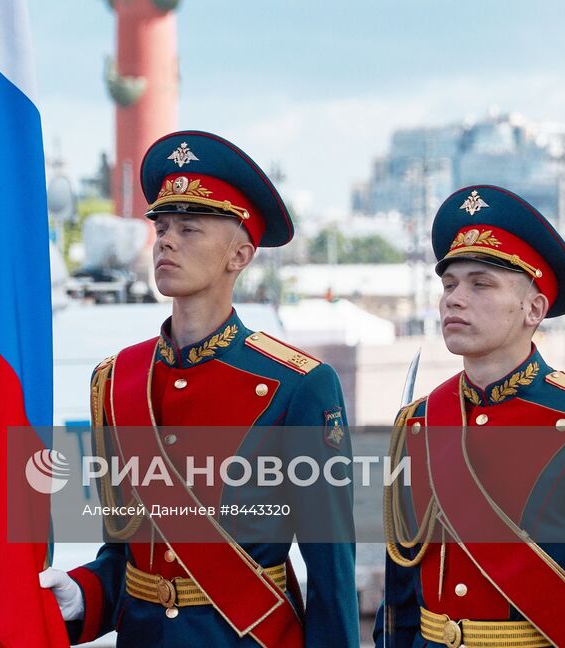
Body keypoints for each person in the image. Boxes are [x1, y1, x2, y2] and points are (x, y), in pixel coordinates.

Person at [41, 131, 359, 646]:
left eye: (189, 229)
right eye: (162, 226)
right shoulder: (117, 381)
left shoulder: (298, 385)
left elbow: (332, 575)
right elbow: (123, 556)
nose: (166, 240)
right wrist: (81, 596)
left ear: (240, 254)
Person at [374, 184, 565, 648]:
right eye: (449, 284)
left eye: (480, 283)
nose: (454, 298)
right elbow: (400, 600)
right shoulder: (418, 424)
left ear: (534, 308)